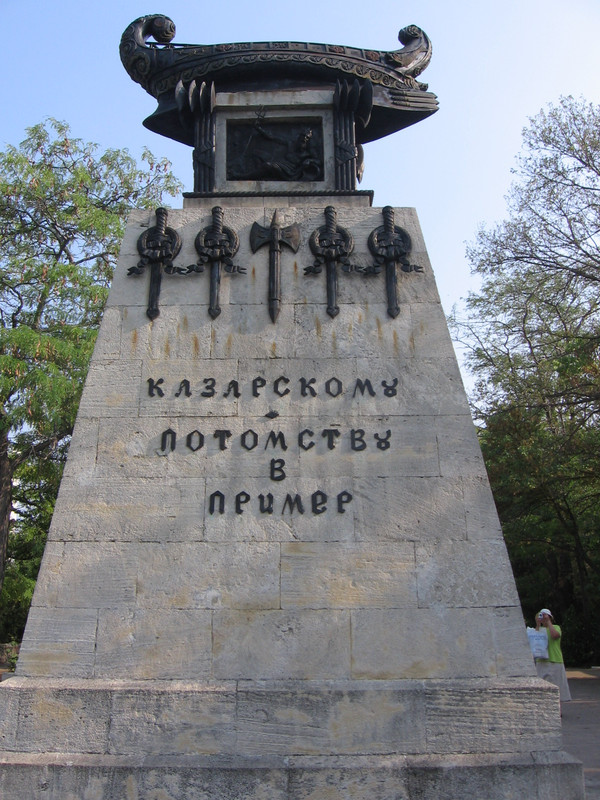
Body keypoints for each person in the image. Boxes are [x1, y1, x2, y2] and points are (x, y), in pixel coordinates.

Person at [534, 608, 571, 702]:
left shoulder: (556, 627)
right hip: (541, 661)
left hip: (555, 660)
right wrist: (538, 623)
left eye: (545, 615)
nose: (543, 618)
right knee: (541, 688)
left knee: (557, 687)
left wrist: (548, 622)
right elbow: (534, 639)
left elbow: (555, 635)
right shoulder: (538, 630)